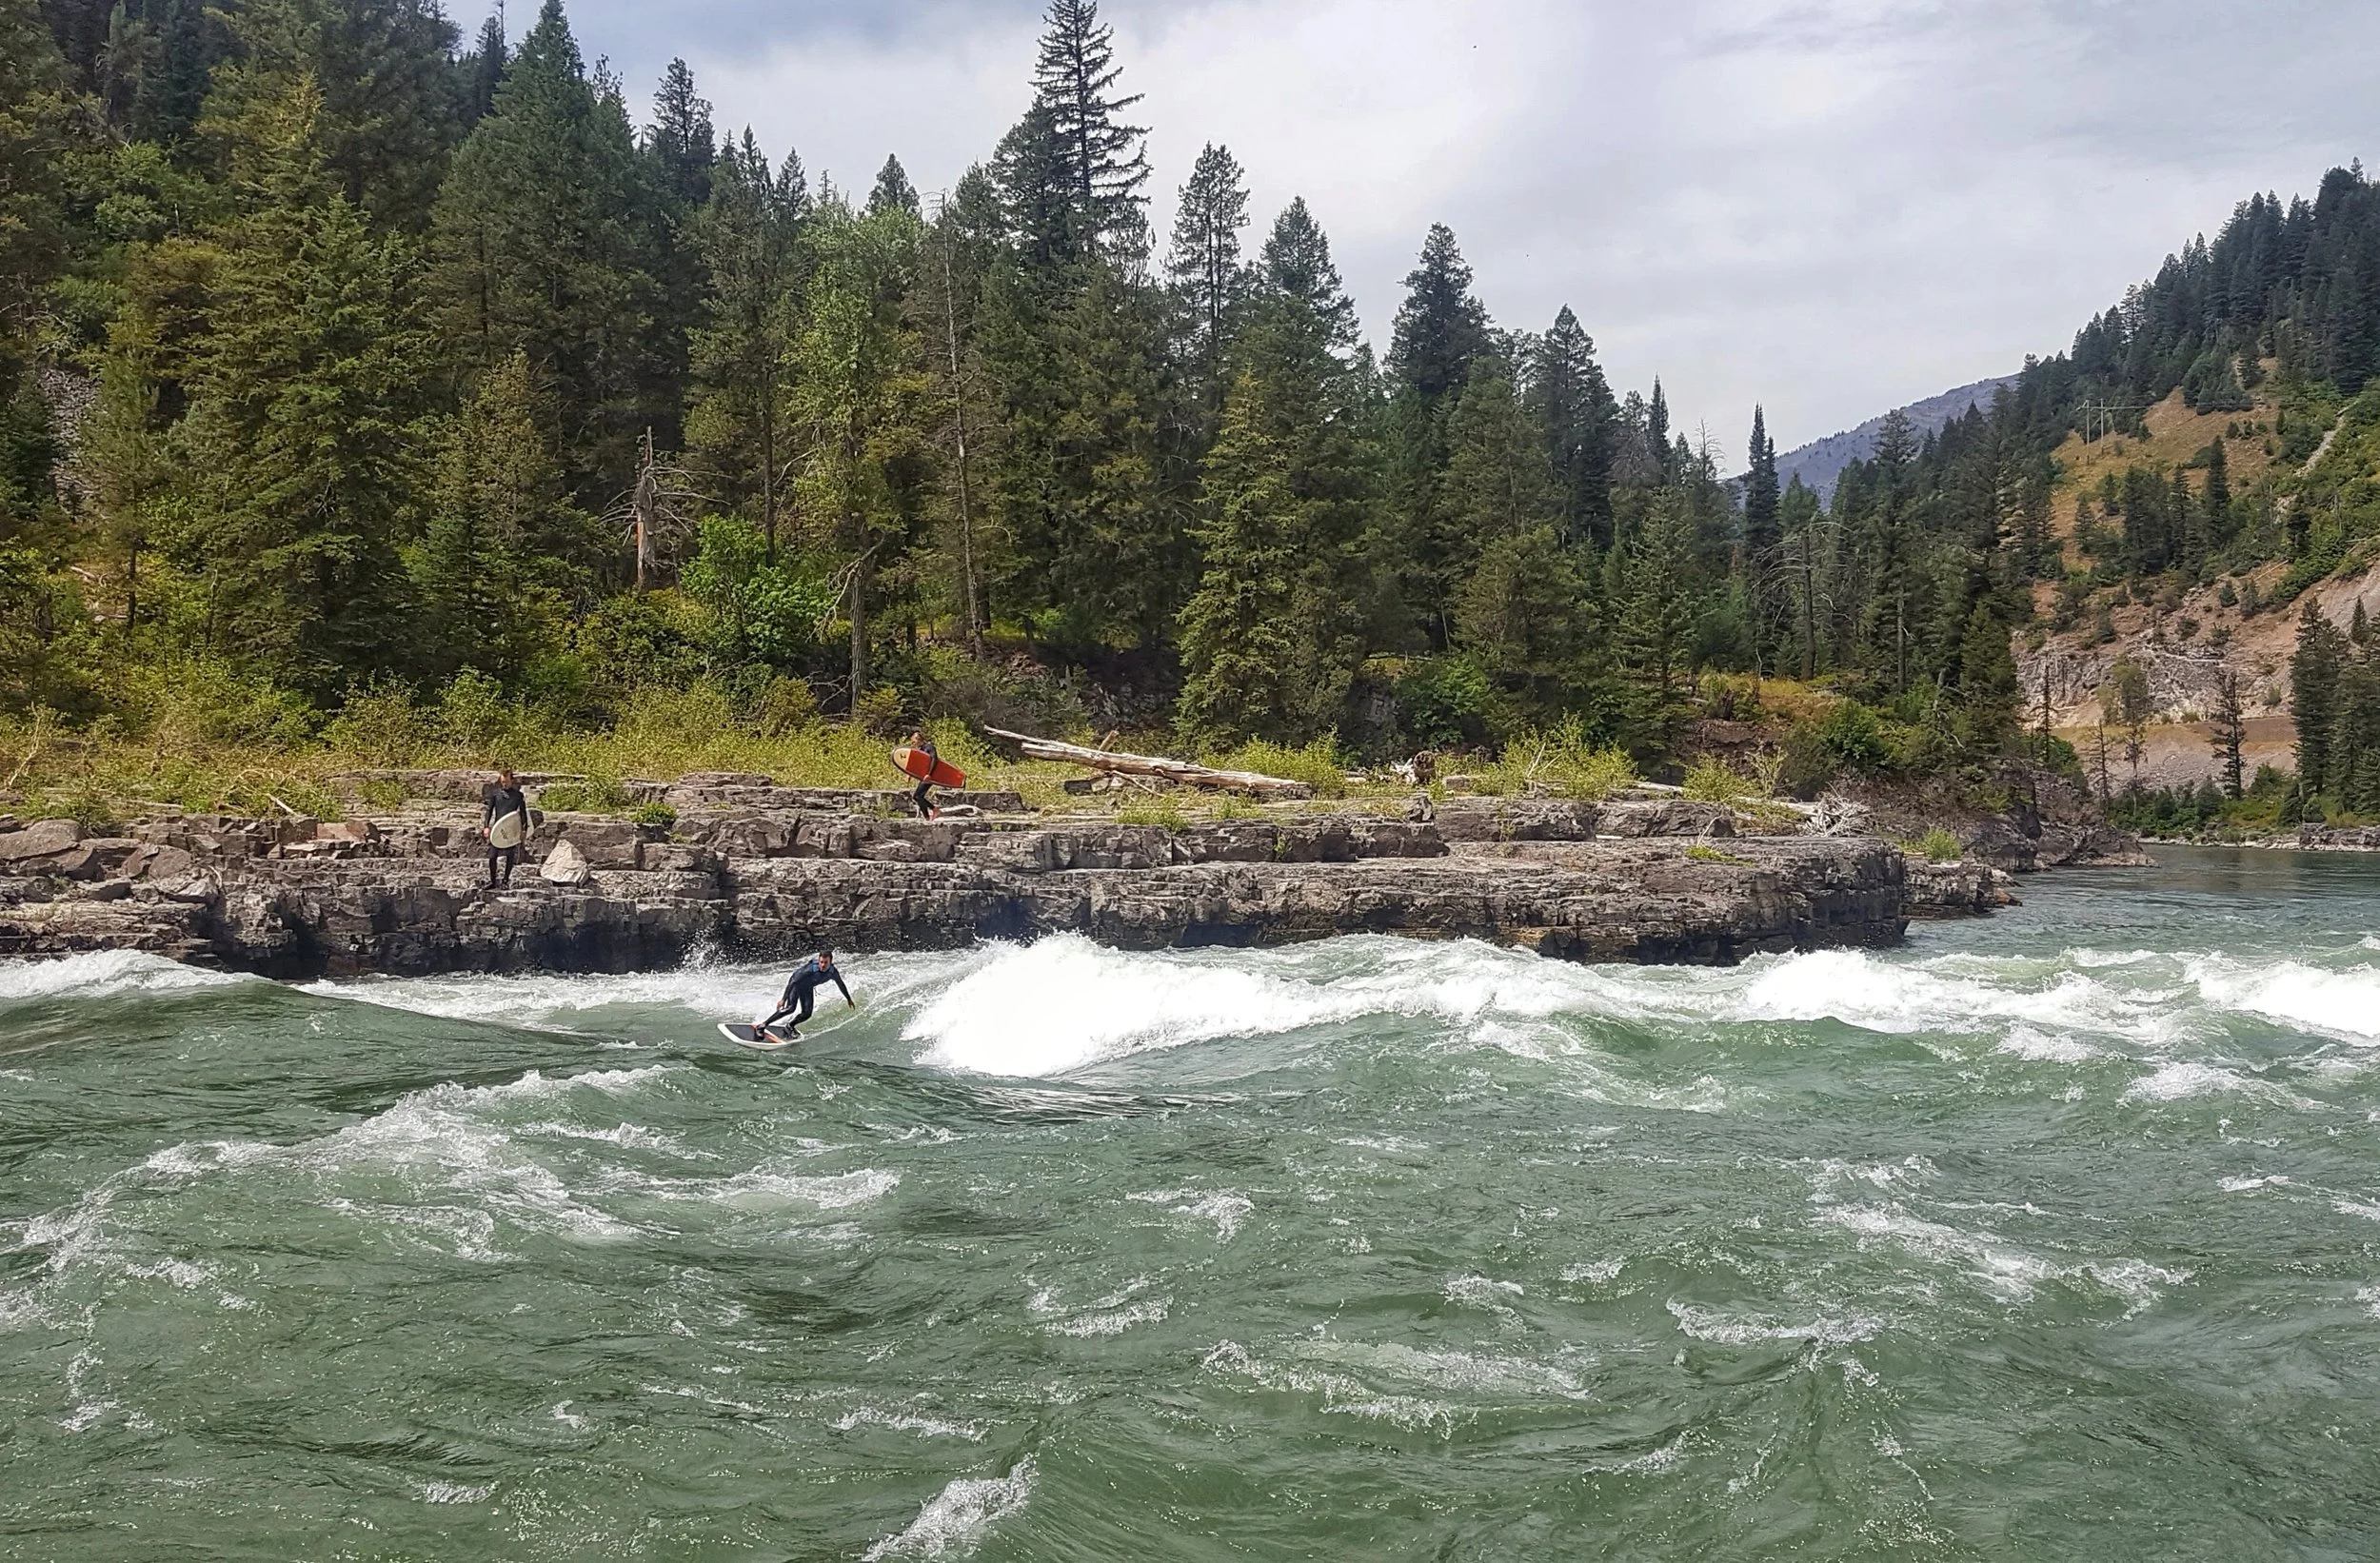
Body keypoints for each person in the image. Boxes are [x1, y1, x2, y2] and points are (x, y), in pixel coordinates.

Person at [756, 948, 854, 1039]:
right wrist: (783, 999)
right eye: (821, 962)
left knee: (807, 1013)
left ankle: (790, 1026)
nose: (823, 965)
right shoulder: (810, 970)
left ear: (830, 962)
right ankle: (762, 1026)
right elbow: (793, 981)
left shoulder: (833, 972)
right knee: (790, 1008)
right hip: (796, 985)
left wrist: (848, 998)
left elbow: (840, 984)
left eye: (826, 962)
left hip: (807, 988)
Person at [483, 768, 528, 888]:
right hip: (498, 828)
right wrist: (486, 826)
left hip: (511, 828)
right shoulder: (495, 794)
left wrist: (524, 829)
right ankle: (493, 881)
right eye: (502, 782)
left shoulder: (518, 796)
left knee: (510, 855)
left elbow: (523, 813)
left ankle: (505, 881)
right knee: (492, 856)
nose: (504, 784)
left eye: (506, 782)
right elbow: (489, 811)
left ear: (511, 781)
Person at [906, 727, 940, 820]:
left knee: (917, 796)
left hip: (931, 776)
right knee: (919, 796)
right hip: (924, 776)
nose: (913, 744)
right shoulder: (920, 750)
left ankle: (935, 810)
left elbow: (934, 760)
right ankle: (927, 817)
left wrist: (929, 774)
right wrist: (909, 775)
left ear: (918, 739)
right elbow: (916, 764)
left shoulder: (929, 747)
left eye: (913, 742)